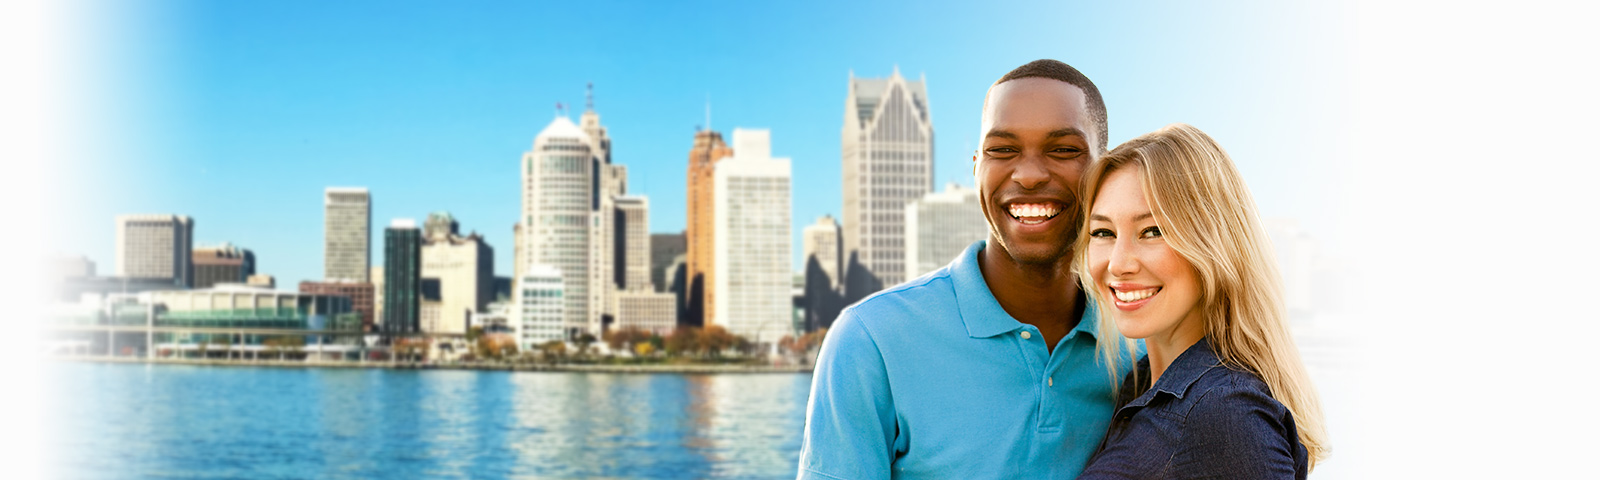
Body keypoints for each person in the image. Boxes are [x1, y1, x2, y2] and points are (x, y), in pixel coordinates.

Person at [797, 59, 1133, 479]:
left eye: (1063, 150)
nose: (1028, 174)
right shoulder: (871, 341)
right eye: (1002, 150)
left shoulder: (1139, 348)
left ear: (1106, 170)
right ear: (976, 165)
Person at [1073, 124, 1329, 478]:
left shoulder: (1226, 414)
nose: (1117, 263)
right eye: (1103, 233)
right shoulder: (1141, 384)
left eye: (1153, 231)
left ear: (1212, 244)